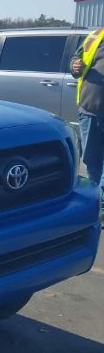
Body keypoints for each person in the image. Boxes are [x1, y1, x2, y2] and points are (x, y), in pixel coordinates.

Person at [70, 27, 104, 223]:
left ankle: (100, 206)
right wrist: (75, 65)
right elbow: (76, 61)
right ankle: (95, 200)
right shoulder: (96, 36)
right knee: (91, 160)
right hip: (89, 111)